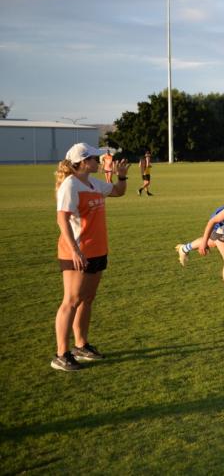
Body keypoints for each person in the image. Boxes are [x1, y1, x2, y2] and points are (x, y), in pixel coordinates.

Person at [52, 143, 129, 371]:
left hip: (97, 250)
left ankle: (80, 345)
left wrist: (122, 177)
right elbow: (62, 219)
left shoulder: (93, 183)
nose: (99, 161)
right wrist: (75, 250)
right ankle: (60, 354)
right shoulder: (70, 185)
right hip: (76, 252)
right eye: (95, 158)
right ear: (83, 162)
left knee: (87, 299)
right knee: (71, 301)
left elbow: (117, 191)